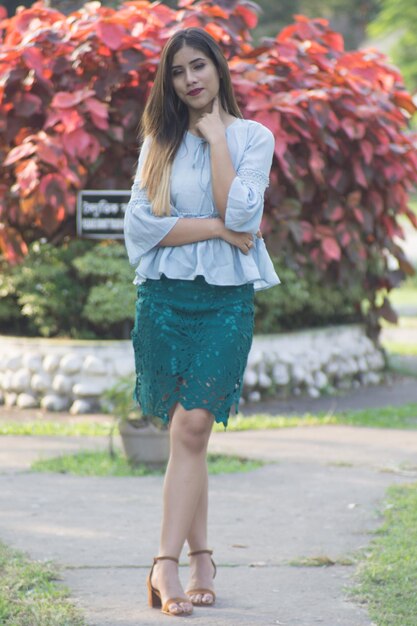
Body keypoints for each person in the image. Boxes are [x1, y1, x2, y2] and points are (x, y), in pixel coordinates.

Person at [123, 27, 280, 617]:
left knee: (191, 428)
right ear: (169, 82)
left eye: (199, 67)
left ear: (218, 69)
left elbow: (244, 211)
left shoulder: (251, 137)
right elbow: (141, 228)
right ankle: (203, 559)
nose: (190, 80)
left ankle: (163, 566)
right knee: (189, 435)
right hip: (162, 300)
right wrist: (216, 230)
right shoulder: (156, 142)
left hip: (224, 303)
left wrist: (217, 141)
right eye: (179, 72)